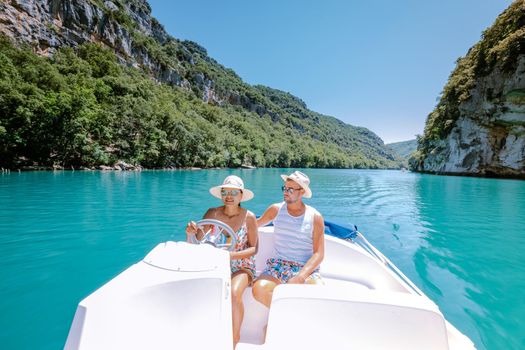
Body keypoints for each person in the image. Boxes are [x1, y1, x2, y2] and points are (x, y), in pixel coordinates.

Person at [185, 175, 258, 348]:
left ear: (241, 195)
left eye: (234, 192)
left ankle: (234, 339)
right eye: (225, 191)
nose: (229, 195)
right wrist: (190, 232)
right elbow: (197, 242)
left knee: (233, 293)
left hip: (241, 265)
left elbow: (254, 248)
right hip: (214, 264)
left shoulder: (249, 217)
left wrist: (229, 256)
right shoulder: (212, 213)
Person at [252, 171, 325, 311]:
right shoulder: (276, 209)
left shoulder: (315, 217)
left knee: (319, 295)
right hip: (279, 265)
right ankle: (288, 317)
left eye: (290, 189)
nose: (285, 192)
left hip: (305, 267)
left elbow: (319, 254)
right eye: (284, 188)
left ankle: (281, 320)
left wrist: (300, 277)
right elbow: (254, 225)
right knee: (258, 290)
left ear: (302, 191)